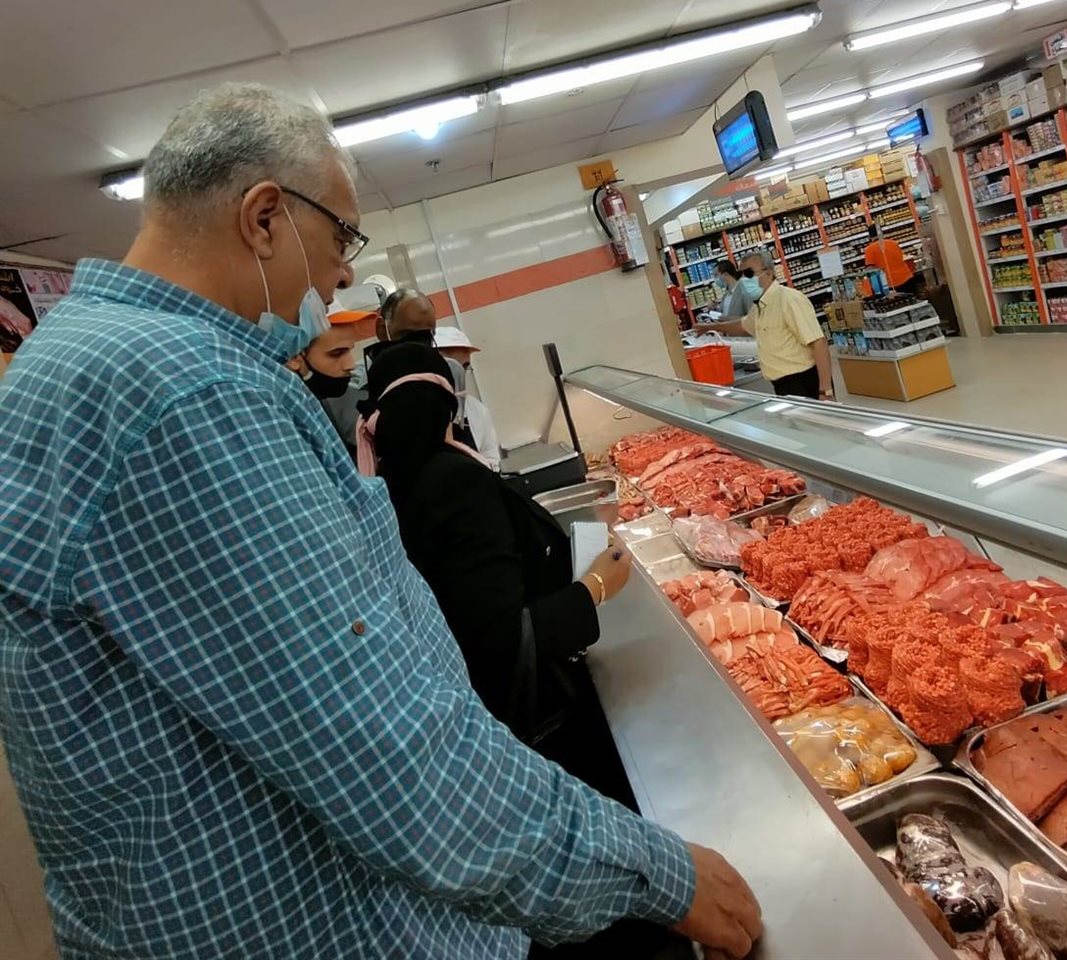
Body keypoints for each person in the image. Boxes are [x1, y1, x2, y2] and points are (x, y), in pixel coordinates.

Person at [0, 83, 761, 960]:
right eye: (340, 238)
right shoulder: (183, 392)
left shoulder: (89, 359)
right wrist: (657, 875)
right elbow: (382, 747)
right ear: (263, 219)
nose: (341, 277)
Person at [357, 342, 688, 960]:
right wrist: (594, 588)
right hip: (537, 725)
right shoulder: (453, 481)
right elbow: (499, 636)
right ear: (444, 407)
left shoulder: (389, 482)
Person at [708, 250, 835, 400]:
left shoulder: (789, 299)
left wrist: (825, 391)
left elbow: (818, 343)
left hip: (803, 381)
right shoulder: (760, 305)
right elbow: (743, 326)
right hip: (782, 385)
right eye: (741, 274)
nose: (743, 280)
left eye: (749, 273)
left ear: (768, 273)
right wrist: (711, 327)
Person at [287, 306, 378, 454]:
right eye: (336, 354)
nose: (351, 364)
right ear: (295, 357)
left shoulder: (314, 403)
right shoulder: (284, 419)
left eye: (349, 350)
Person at [435, 324, 501, 469]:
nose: (459, 375)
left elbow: (492, 459)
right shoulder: (418, 414)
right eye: (453, 367)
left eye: (464, 367)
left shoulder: (477, 411)